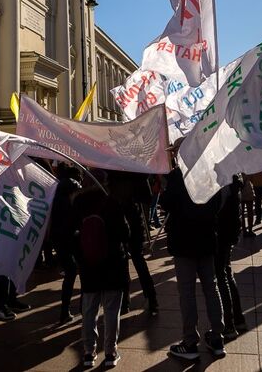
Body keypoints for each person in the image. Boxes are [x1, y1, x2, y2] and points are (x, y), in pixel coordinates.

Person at [161, 155, 226, 360]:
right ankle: (217, 337)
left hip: (184, 242)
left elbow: (166, 203)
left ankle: (190, 341)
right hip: (206, 239)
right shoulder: (208, 172)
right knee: (211, 288)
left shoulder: (177, 175)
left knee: (187, 293)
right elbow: (217, 203)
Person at [73, 185, 129, 368]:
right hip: (113, 265)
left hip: (89, 268)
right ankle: (111, 352)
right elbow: (125, 233)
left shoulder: (79, 202)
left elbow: (72, 234)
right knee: (112, 312)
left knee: (89, 311)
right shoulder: (111, 202)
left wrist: (81, 257)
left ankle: (89, 352)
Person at [107, 171, 158, 315]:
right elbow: (147, 198)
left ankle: (125, 302)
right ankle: (151, 298)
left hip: (119, 219)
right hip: (133, 219)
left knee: (123, 261)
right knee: (138, 260)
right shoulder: (136, 172)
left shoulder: (113, 171)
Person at [51, 163, 83, 325]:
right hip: (68, 240)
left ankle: (66, 310)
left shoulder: (57, 195)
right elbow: (72, 223)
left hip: (60, 240)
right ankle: (68, 310)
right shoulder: (69, 201)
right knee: (74, 272)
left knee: (71, 272)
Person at [216, 174, 247, 339]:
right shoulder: (234, 177)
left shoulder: (223, 179)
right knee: (227, 274)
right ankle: (238, 319)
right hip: (229, 230)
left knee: (221, 277)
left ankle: (228, 324)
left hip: (221, 232)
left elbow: (217, 207)